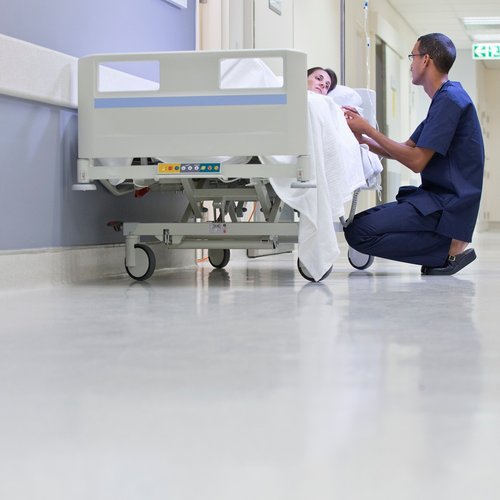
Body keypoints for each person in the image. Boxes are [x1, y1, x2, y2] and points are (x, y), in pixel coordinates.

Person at [342, 33, 484, 275]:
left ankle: (449, 250)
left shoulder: (450, 101)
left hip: (446, 206)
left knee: (359, 233)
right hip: (439, 200)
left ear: (426, 60)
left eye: (413, 56)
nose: (410, 64)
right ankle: (446, 246)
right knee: (357, 225)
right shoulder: (445, 99)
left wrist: (367, 128)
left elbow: (416, 161)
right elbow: (407, 148)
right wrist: (362, 138)